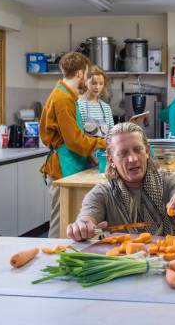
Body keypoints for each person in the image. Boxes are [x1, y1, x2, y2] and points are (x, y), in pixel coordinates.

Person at [66, 122, 175, 241]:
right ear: (111, 160)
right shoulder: (102, 193)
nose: (132, 159)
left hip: (168, 260)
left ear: (146, 151)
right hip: (122, 262)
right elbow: (87, 216)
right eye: (123, 153)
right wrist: (82, 226)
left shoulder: (170, 181)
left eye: (137, 150)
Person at [40, 52, 106, 238]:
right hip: (62, 165)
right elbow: (75, 141)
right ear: (79, 74)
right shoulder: (62, 99)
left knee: (70, 219)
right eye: (86, 74)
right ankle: (52, 257)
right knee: (61, 220)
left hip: (70, 163)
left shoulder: (67, 95)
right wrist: (103, 142)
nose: (86, 78)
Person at [78, 65, 114, 138]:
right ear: (85, 82)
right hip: (87, 148)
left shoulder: (106, 107)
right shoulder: (79, 105)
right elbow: (78, 134)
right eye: (93, 83)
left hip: (104, 148)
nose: (97, 87)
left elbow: (112, 133)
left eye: (101, 84)